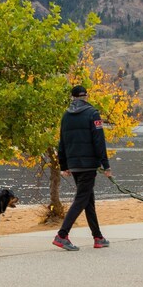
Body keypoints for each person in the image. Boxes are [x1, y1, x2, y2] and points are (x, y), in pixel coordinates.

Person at [53, 84, 112, 251]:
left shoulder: (66, 116)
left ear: (72, 97)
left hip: (74, 163)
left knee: (88, 200)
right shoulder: (93, 114)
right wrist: (106, 165)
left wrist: (64, 165)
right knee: (81, 199)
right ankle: (62, 235)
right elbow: (99, 141)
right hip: (88, 165)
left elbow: (61, 143)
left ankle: (98, 237)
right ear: (86, 96)